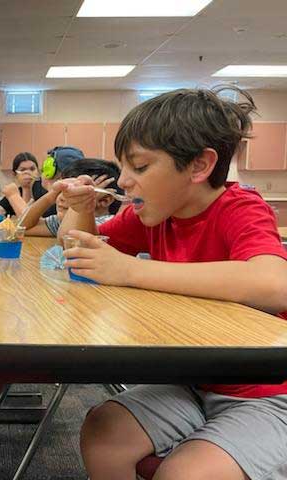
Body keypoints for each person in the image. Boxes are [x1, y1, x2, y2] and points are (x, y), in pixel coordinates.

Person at [59, 86, 287, 480]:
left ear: (199, 166)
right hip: (193, 381)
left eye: (140, 168)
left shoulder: (240, 208)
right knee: (103, 432)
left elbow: (273, 283)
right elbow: (84, 248)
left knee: (184, 474)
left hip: (267, 391)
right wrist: (80, 210)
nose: (124, 182)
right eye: (123, 168)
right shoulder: (157, 213)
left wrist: (131, 271)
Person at [22, 158, 122, 237]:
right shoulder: (63, 220)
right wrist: (51, 195)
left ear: (105, 200)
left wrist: (83, 201)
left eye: (77, 190)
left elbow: (71, 239)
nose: (61, 197)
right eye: (63, 191)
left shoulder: (107, 222)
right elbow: (23, 228)